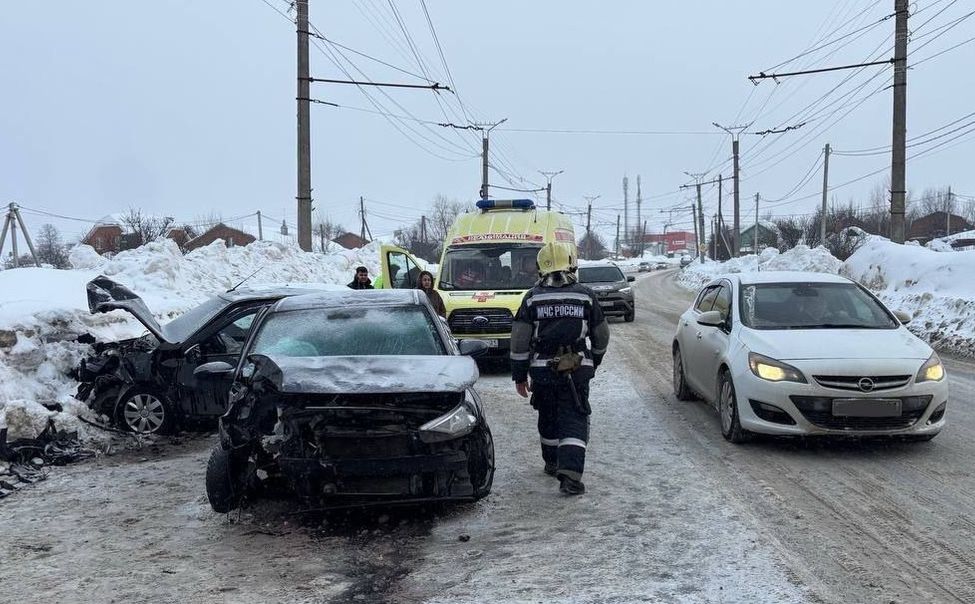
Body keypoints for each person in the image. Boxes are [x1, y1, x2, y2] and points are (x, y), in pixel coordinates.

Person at [510, 242, 610, 496]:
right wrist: (594, 360)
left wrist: (520, 375)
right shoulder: (586, 295)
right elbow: (601, 334)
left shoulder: (532, 297)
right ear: (571, 263)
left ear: (540, 267)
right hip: (576, 369)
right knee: (574, 418)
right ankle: (571, 476)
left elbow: (520, 340)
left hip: (543, 371)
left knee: (549, 416)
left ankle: (552, 462)